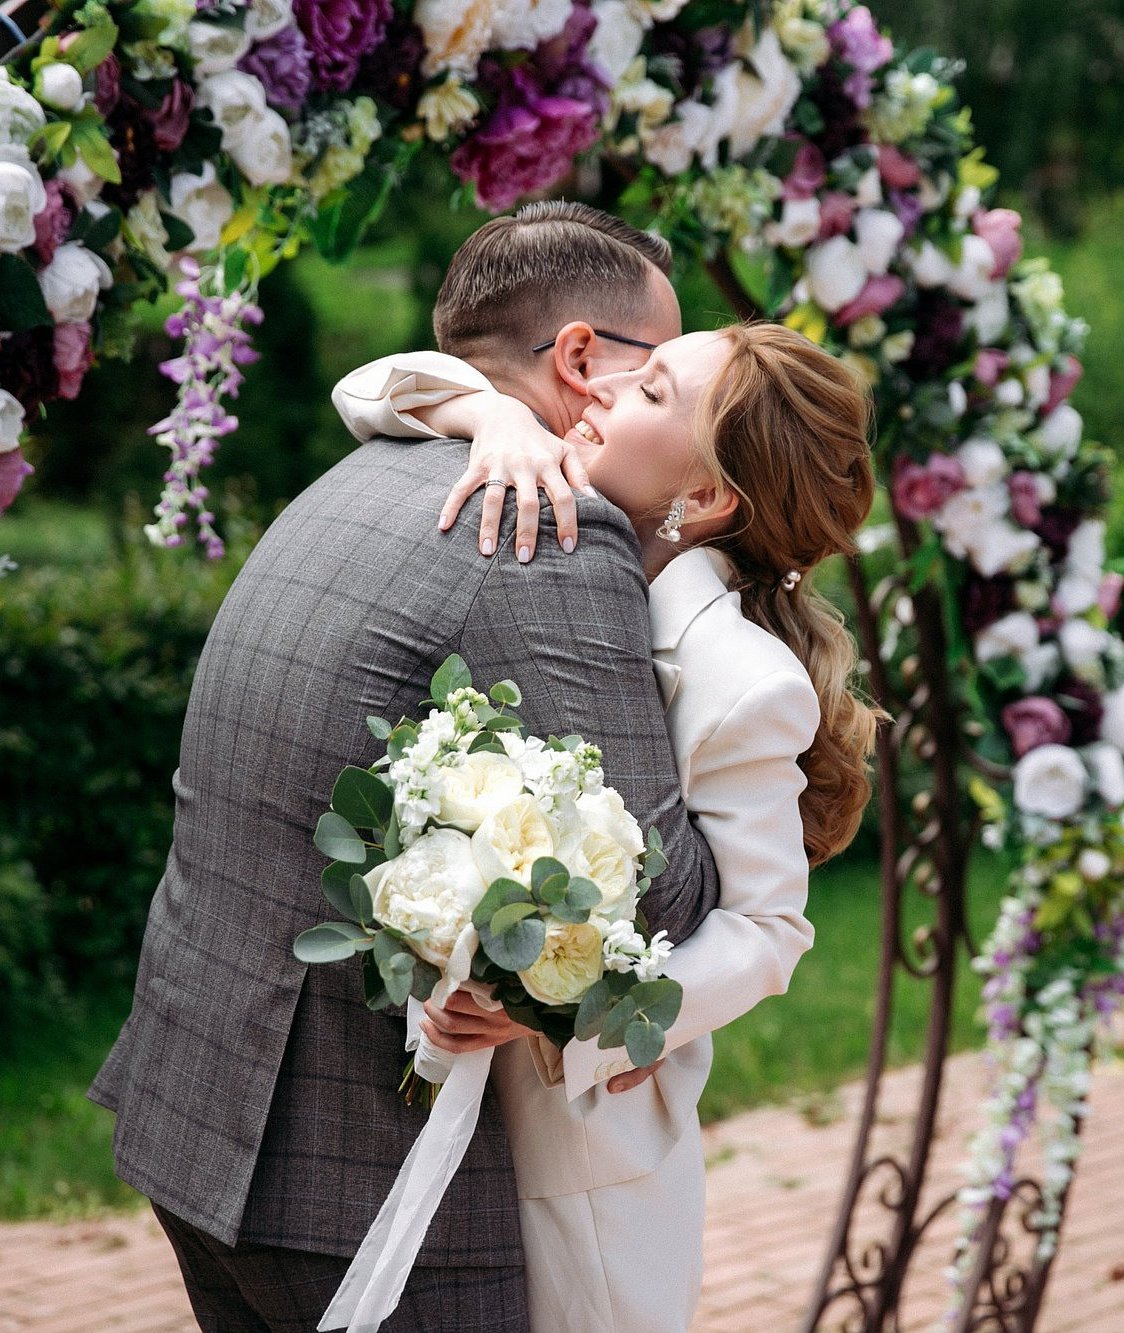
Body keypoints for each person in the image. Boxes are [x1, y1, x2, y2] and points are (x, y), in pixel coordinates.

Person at [89, 201, 720, 1333]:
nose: (662, 390)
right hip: (352, 1176)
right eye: (656, 366)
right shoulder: (549, 534)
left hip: (196, 1099)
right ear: (579, 358)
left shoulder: (360, 476)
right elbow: (660, 900)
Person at [328, 319, 880, 1331]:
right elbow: (368, 386)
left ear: (706, 499)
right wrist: (490, 414)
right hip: (463, 1120)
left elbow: (769, 933)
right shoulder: (560, 515)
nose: (603, 386)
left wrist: (562, 1012)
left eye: (654, 390)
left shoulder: (738, 680)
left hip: (594, 1157)